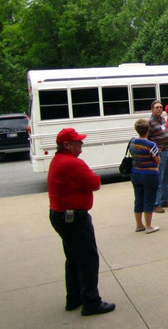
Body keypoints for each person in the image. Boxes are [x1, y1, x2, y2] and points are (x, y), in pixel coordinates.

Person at [48, 128, 115, 316]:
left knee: (74, 259)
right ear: (67, 145)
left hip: (62, 216)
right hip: (73, 219)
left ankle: (74, 297)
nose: (81, 145)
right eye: (77, 142)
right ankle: (91, 301)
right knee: (87, 260)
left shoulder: (60, 161)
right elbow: (95, 183)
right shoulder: (71, 163)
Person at [129, 119, 161, 233]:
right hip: (149, 174)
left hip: (135, 173)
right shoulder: (151, 144)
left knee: (138, 199)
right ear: (148, 130)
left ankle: (139, 225)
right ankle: (149, 226)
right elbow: (157, 160)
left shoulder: (132, 141)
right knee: (149, 199)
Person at [149, 101, 168, 213]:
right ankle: (156, 204)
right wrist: (155, 149)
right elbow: (147, 139)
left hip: (166, 151)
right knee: (158, 179)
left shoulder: (163, 120)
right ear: (152, 109)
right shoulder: (150, 123)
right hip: (158, 154)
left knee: (166, 177)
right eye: (157, 108)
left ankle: (164, 200)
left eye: (160, 107)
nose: (159, 109)